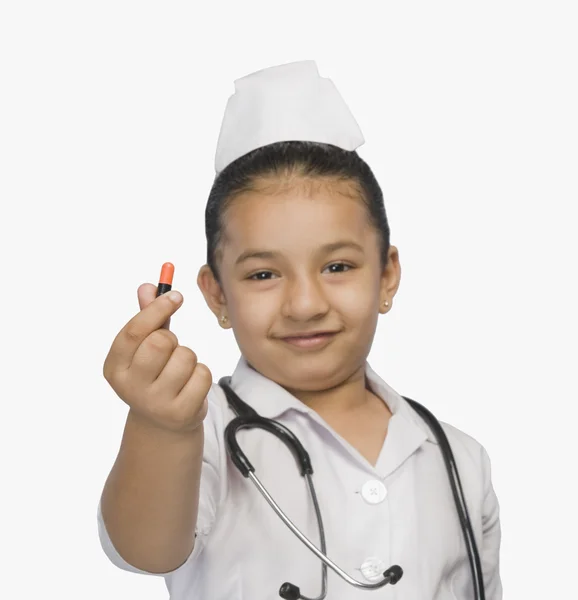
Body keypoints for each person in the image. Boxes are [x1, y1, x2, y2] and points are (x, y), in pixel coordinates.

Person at [98, 60, 502, 600]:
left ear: (387, 276)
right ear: (217, 294)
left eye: (337, 267)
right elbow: (144, 550)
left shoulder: (459, 459)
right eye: (263, 274)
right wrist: (161, 427)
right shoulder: (205, 434)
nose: (305, 304)